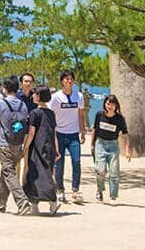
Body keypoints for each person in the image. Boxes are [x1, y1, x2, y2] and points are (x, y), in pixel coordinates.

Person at [0, 76, 31, 215]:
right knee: (6, 171)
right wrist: (24, 145)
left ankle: (22, 201)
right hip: (17, 143)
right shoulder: (22, 105)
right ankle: (0, 204)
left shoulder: (1, 103)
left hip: (5, 143)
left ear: (4, 89)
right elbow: (25, 125)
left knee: (9, 172)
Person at [22, 85, 60, 216]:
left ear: (39, 96)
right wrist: (57, 149)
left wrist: (25, 147)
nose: (32, 95)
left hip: (37, 147)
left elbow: (31, 133)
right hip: (49, 147)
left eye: (35, 94)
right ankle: (42, 204)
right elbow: (54, 132)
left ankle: (47, 201)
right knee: (47, 173)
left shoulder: (34, 113)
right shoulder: (51, 113)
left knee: (35, 175)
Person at [50, 70, 86, 203]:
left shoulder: (79, 96)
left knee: (76, 162)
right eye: (66, 79)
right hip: (59, 134)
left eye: (71, 79)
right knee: (59, 164)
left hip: (73, 134)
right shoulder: (55, 97)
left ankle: (75, 190)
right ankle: (60, 190)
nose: (69, 81)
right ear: (62, 82)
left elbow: (80, 115)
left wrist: (82, 131)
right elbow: (50, 115)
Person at [90, 93, 131, 203]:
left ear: (116, 105)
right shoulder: (99, 115)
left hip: (113, 146)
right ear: (105, 104)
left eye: (112, 104)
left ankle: (113, 196)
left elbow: (126, 134)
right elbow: (94, 129)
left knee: (114, 172)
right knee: (101, 170)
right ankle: (100, 190)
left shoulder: (119, 119)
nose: (110, 106)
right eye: (108, 104)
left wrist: (127, 150)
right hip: (100, 144)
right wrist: (92, 144)